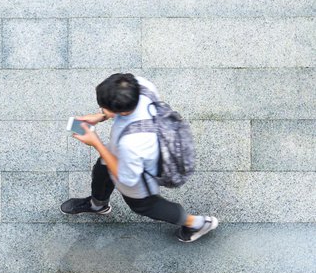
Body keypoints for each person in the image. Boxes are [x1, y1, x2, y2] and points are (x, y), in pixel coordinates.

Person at [60, 73, 217, 242]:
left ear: (123, 111)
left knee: (145, 206)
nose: (102, 109)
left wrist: (96, 143)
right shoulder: (141, 85)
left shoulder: (133, 143)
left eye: (104, 107)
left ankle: (197, 223)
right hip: (122, 153)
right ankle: (97, 205)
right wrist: (103, 115)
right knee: (101, 172)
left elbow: (126, 178)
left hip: (138, 176)